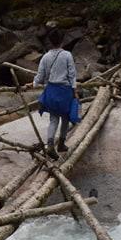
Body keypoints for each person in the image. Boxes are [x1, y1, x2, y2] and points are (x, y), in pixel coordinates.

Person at [32, 29, 79, 159]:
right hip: (65, 91)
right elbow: (72, 74)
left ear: (50, 42)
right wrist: (75, 90)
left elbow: (40, 75)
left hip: (52, 90)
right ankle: (61, 144)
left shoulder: (45, 57)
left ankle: (50, 145)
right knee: (65, 118)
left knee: (53, 119)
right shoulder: (67, 55)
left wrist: (33, 84)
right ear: (62, 40)